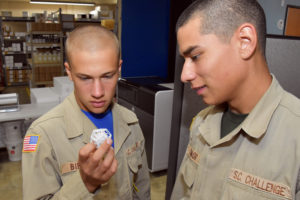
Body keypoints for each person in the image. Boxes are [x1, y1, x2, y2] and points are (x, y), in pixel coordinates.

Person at [171, 0, 300, 199]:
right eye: (184, 60)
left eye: (195, 56)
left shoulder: (295, 139)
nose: (184, 75)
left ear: (245, 42)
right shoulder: (202, 124)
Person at [22, 25, 150, 200]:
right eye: (85, 78)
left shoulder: (130, 121)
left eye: (107, 76)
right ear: (69, 72)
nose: (97, 92)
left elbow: (141, 188)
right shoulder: (43, 134)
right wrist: (85, 183)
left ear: (119, 69)